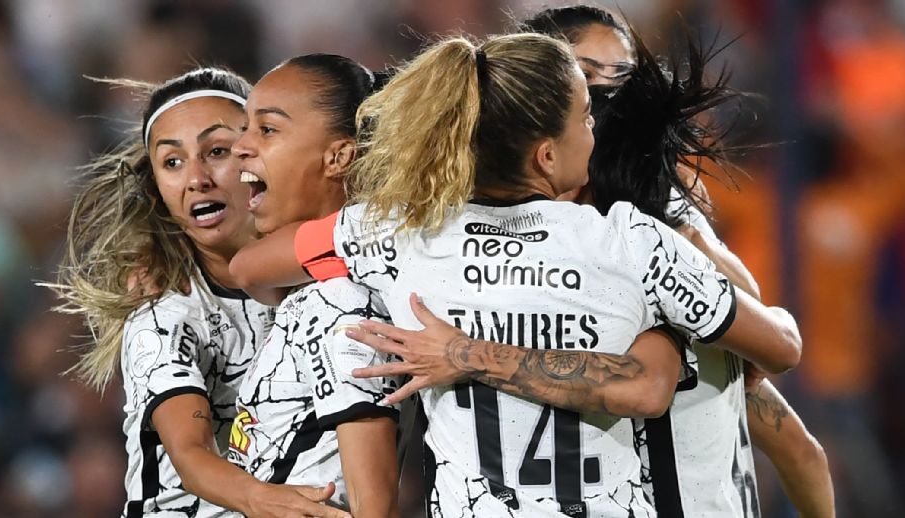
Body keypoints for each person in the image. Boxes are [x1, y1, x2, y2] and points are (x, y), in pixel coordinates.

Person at [233, 32, 802, 516]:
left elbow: (250, 268)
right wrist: (679, 316)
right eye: (584, 117)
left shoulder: (394, 234)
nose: (594, 133)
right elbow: (781, 347)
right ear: (547, 156)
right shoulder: (631, 244)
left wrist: (355, 287)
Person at [520, 6, 835, 516]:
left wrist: (694, 250)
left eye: (621, 76)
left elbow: (776, 368)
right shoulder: (502, 226)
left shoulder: (661, 208)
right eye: (586, 74)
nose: (605, 95)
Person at [45, 67, 346, 518]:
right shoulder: (165, 311)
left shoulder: (332, 267)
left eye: (217, 151)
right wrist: (275, 503)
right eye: (172, 162)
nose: (196, 178)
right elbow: (191, 456)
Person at [226, 54, 400, 518]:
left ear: (339, 156)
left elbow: (373, 503)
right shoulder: (313, 287)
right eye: (245, 127)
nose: (240, 145)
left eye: (267, 129)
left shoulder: (343, 301)